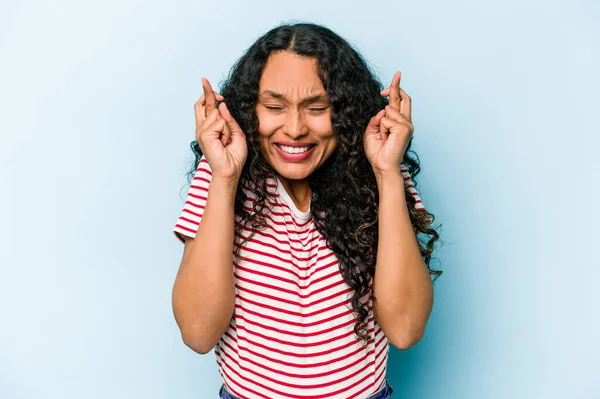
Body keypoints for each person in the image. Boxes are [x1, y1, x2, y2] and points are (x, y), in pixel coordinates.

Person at [171, 22, 442, 399]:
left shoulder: (379, 175)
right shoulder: (220, 175)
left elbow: (406, 329)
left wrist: (387, 173)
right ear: (249, 109)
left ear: (345, 110)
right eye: (274, 107)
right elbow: (199, 333)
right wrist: (225, 177)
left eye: (317, 108)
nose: (295, 128)